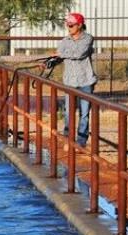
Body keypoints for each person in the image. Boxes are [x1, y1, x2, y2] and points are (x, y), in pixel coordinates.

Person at [41, 12, 97, 149]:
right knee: (68, 112)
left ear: (80, 25)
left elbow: (79, 54)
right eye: (68, 25)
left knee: (84, 113)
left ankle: (81, 142)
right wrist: (48, 63)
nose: (69, 28)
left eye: (71, 25)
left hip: (86, 81)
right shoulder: (65, 41)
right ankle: (68, 138)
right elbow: (59, 57)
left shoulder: (88, 39)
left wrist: (61, 54)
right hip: (70, 82)